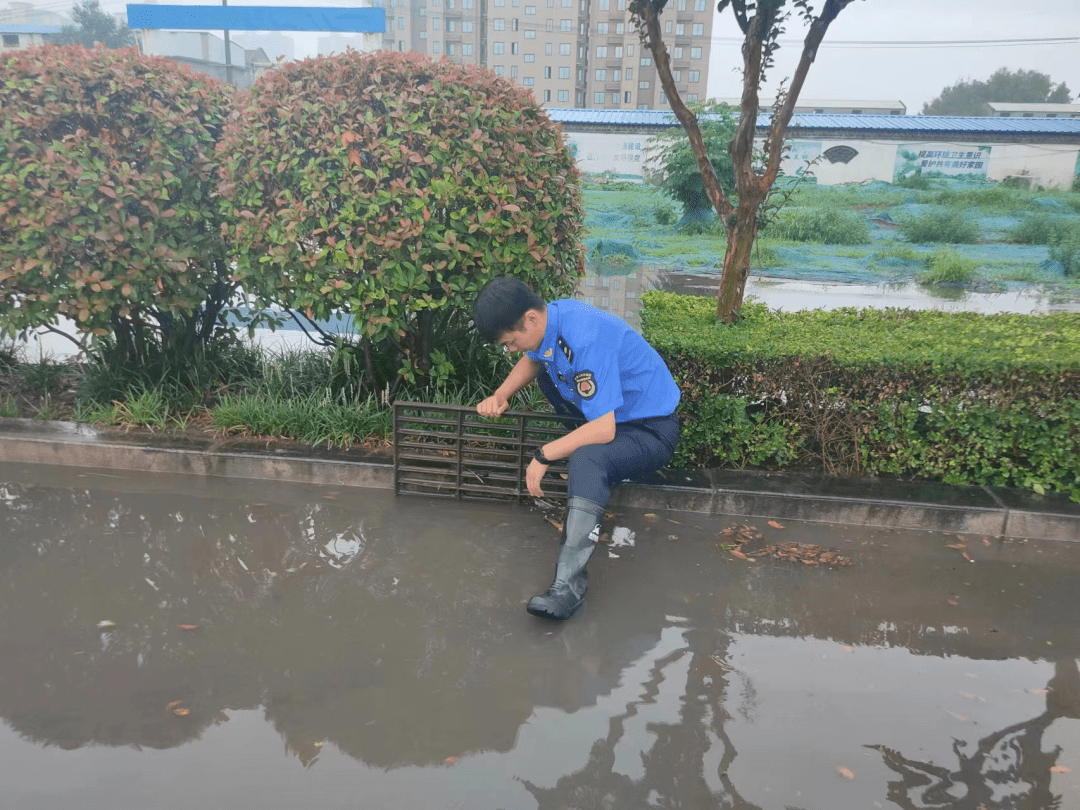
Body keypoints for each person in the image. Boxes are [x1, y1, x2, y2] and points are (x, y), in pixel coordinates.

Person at [472, 276, 681, 620]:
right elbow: (534, 358)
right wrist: (500, 394)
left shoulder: (586, 338)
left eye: (510, 342)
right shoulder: (554, 318)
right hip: (619, 420)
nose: (510, 350)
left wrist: (544, 455)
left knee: (587, 456)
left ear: (531, 319)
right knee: (547, 376)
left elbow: (602, 428)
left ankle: (568, 587)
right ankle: (598, 474)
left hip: (650, 430)